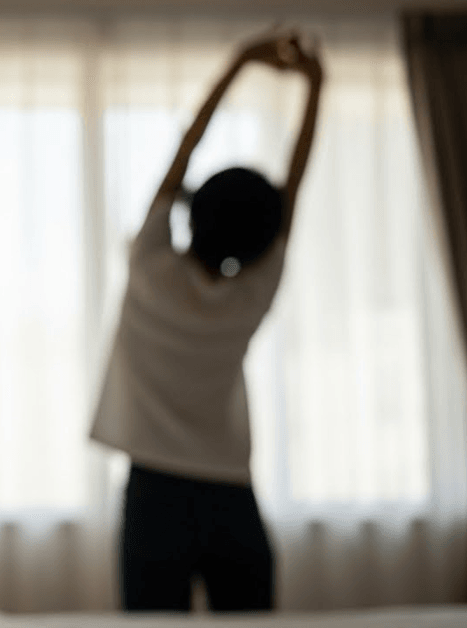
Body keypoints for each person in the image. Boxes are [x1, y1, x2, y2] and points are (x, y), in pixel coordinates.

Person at [89, 31, 324, 612]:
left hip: (154, 493)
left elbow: (184, 150)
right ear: (263, 241)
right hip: (229, 496)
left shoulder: (149, 268)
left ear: (194, 211)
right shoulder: (251, 294)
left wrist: (241, 62)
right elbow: (293, 189)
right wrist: (318, 85)